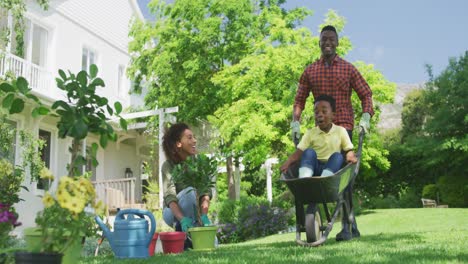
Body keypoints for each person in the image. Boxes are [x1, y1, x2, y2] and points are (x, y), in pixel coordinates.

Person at [291, 25, 374, 241]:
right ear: (319, 43)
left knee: (342, 179)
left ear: (337, 43)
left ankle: (348, 226)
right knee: (312, 171)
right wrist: (296, 122)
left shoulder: (348, 69)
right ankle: (312, 218)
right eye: (324, 39)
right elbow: (299, 99)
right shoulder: (310, 71)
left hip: (343, 128)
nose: (327, 42)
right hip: (319, 132)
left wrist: (366, 117)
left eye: (331, 39)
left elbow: (366, 94)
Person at [281, 94, 357, 178]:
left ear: (333, 115)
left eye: (324, 111)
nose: (319, 115)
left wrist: (350, 155)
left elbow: (349, 149)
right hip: (314, 167)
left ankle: (326, 178)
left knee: (338, 156)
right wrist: (288, 162)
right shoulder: (311, 133)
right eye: (316, 112)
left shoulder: (340, 131)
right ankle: (304, 177)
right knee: (309, 152)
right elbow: (299, 152)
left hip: (331, 167)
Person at [161, 123, 212, 238]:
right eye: (189, 138)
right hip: (172, 213)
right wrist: (182, 219)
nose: (194, 141)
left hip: (195, 212)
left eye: (194, 137)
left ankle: (189, 238)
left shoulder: (199, 163)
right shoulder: (168, 166)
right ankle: (181, 228)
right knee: (190, 192)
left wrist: (204, 216)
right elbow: (170, 196)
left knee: (213, 243)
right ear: (178, 143)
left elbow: (205, 190)